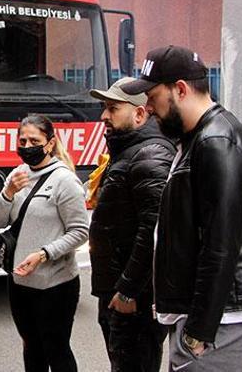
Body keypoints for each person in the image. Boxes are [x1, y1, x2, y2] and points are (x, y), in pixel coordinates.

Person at [121, 45, 242, 371]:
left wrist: (199, 330)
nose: (147, 106)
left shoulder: (216, 143)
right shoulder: (200, 137)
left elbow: (221, 245)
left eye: (152, 95)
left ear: (180, 89)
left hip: (221, 319)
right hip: (213, 312)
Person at [0, 114, 88, 372]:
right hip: (19, 282)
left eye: (35, 140)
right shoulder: (18, 175)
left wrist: (44, 254)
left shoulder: (65, 181)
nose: (27, 146)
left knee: (56, 350)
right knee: (31, 348)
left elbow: (80, 231)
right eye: (23, 140)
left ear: (50, 143)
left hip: (55, 284)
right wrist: (8, 193)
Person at [88, 77, 175, 371]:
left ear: (140, 114)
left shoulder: (149, 155)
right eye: (104, 107)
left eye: (112, 108)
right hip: (117, 293)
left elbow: (154, 232)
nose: (104, 116)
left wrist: (128, 290)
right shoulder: (127, 151)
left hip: (133, 299)